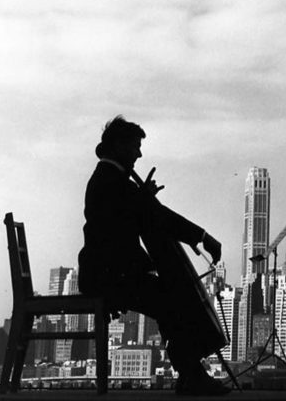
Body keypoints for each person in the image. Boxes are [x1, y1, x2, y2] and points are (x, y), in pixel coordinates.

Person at [78, 116, 229, 396]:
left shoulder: (114, 180)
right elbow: (150, 217)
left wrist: (142, 198)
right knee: (171, 301)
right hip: (109, 277)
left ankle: (190, 374)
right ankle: (192, 375)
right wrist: (202, 237)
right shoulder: (112, 181)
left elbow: (134, 216)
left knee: (168, 300)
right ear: (119, 146)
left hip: (111, 273)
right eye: (135, 146)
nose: (139, 153)